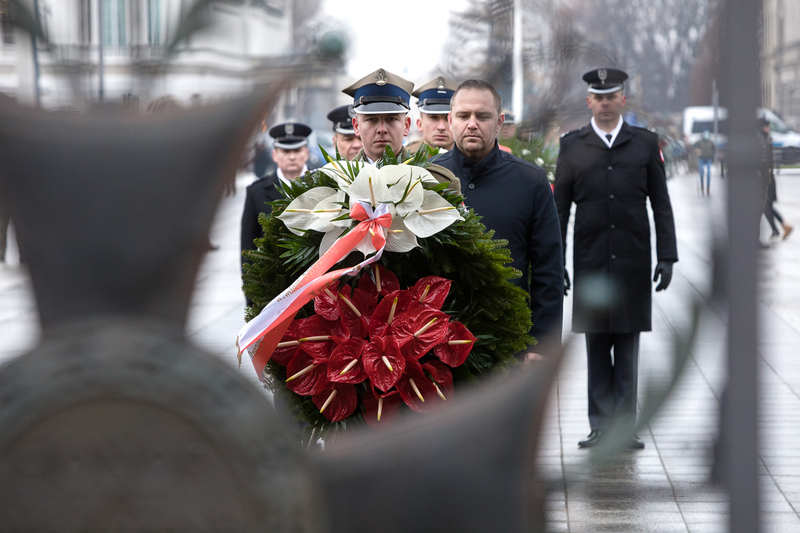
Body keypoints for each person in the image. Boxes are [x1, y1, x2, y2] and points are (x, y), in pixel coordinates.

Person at [553, 68, 678, 449]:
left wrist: (667, 256)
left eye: (612, 96)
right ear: (589, 101)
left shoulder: (644, 144)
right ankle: (599, 426)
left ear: (623, 99)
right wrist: (555, 262)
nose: (605, 103)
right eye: (598, 97)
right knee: (596, 347)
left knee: (627, 345)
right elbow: (559, 210)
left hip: (632, 263)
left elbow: (661, 204)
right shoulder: (572, 146)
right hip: (590, 262)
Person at [434, 79, 564, 361]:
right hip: (438, 344)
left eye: (482, 116)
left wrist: (542, 346)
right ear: (450, 120)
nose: (472, 124)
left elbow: (548, 270)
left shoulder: (531, 182)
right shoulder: (427, 179)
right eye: (463, 115)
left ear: (499, 122)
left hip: (509, 343)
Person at [343, 68, 461, 191]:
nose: (382, 129)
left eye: (391, 119)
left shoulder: (438, 182)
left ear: (406, 125)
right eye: (372, 119)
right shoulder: (337, 181)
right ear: (356, 126)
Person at [241, 122, 312, 263]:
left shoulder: (323, 184)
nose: (292, 157)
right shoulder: (256, 192)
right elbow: (248, 248)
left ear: (306, 153)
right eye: (285, 151)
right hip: (272, 279)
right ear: (274, 155)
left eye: (297, 150)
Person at [759, 118, 793, 241]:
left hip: (767, 179)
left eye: (768, 127)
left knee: (766, 206)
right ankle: (779, 228)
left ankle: (780, 227)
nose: (768, 129)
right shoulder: (765, 138)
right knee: (766, 206)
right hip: (768, 178)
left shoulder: (765, 139)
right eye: (766, 127)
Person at [407, 75, 458, 153]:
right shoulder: (405, 159)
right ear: (419, 124)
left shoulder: (473, 159)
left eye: (448, 119)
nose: (441, 127)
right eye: (433, 118)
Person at [693, 130, 715, 195]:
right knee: (701, 173)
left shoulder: (711, 142)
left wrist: (712, 156)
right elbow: (695, 146)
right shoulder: (700, 142)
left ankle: (708, 187)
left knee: (708, 173)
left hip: (708, 159)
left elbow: (714, 149)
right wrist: (697, 151)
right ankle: (702, 187)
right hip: (701, 158)